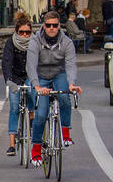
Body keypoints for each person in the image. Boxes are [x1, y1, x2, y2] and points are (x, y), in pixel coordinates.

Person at [26, 11, 82, 167]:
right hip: (41, 76)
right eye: (48, 25)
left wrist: (71, 83)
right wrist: (37, 86)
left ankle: (65, 133)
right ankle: (36, 148)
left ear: (59, 26)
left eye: (55, 25)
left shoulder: (67, 42)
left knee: (64, 96)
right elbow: (30, 65)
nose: (51, 28)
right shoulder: (35, 41)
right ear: (44, 26)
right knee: (41, 113)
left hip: (59, 73)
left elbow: (70, 65)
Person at [1, 15, 36, 156]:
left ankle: (32, 115)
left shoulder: (35, 43)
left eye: (27, 32)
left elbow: (38, 62)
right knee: (14, 107)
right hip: (14, 77)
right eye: (22, 32)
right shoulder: (11, 42)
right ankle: (11, 144)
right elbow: (6, 62)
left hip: (29, 76)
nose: (25, 35)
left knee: (32, 93)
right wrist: (9, 80)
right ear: (16, 31)